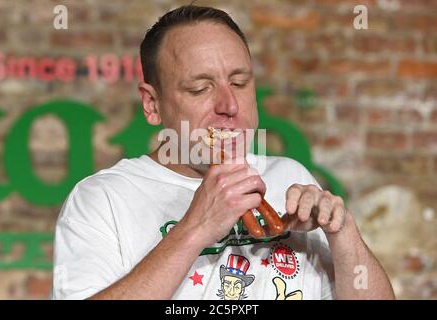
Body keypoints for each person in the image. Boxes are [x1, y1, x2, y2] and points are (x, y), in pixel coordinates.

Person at [51, 5, 395, 300]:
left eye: (240, 83)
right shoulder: (102, 199)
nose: (229, 105)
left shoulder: (290, 177)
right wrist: (195, 229)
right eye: (200, 88)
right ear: (152, 104)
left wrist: (342, 232)